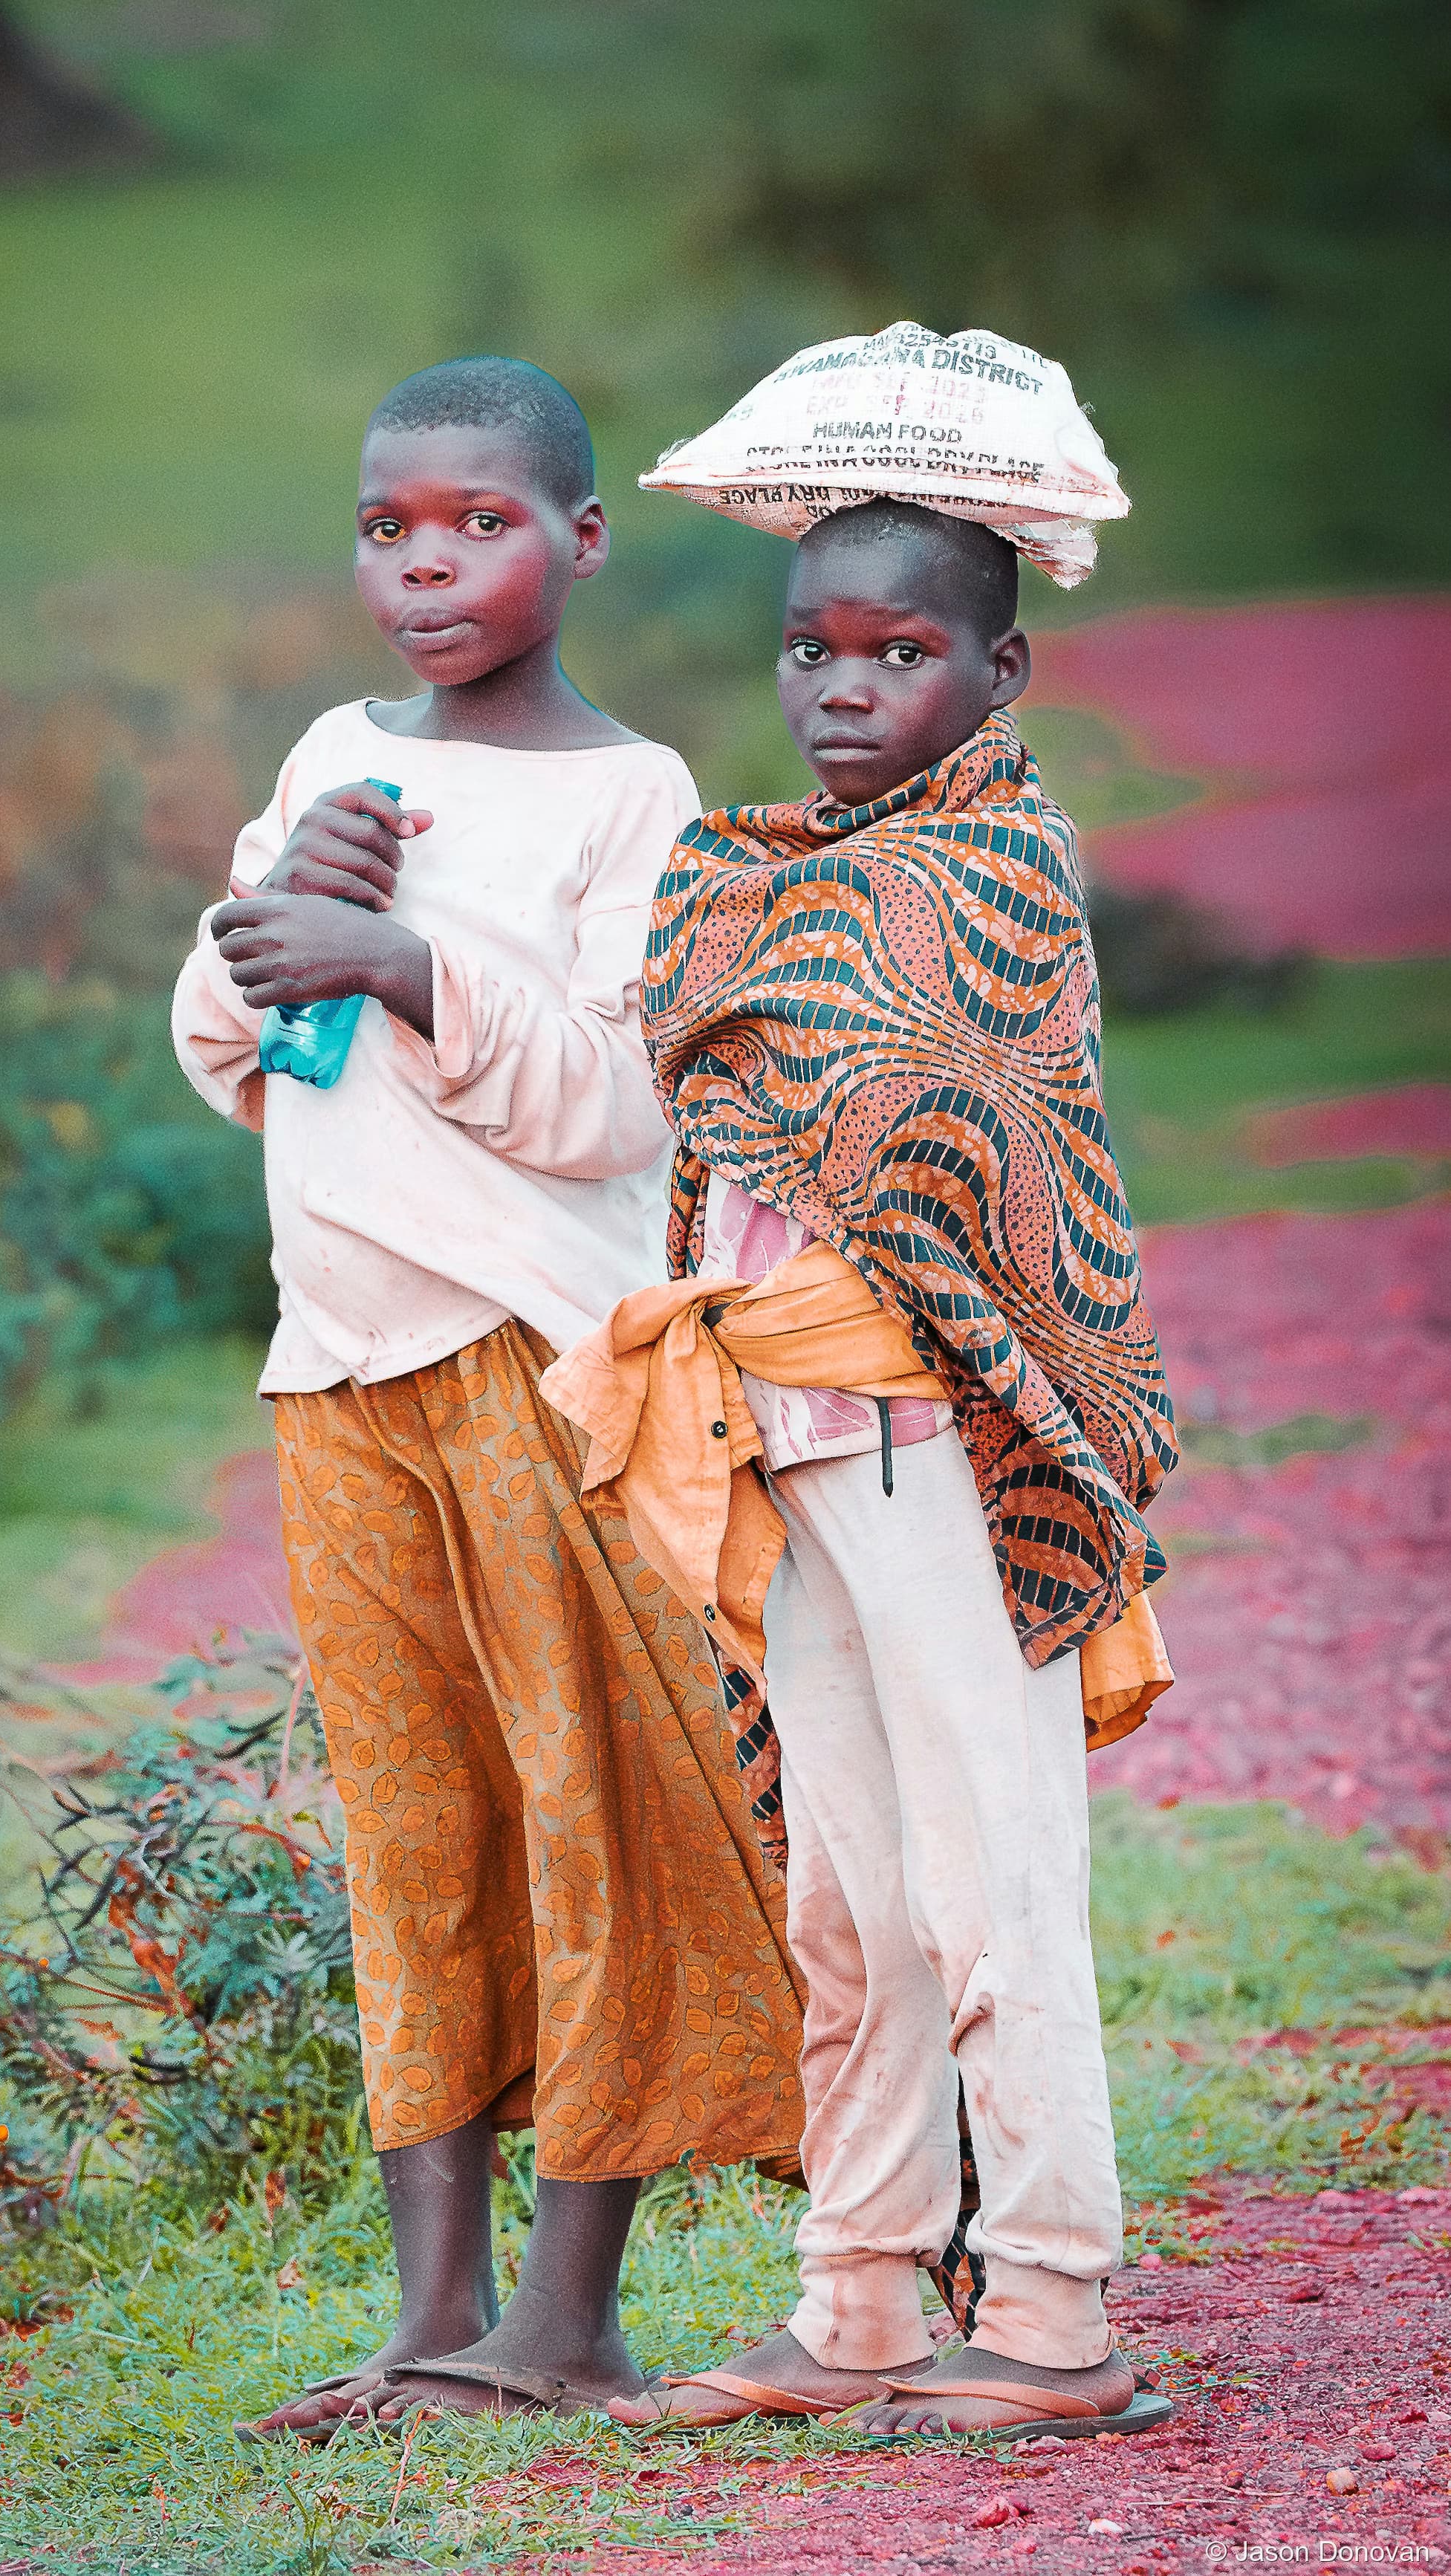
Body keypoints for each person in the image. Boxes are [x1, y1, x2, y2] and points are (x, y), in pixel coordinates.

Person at [170, 357, 805, 2440]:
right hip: (335, 1365)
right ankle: (429, 2320)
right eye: (388, 529)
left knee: (584, 1814)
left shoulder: (639, 796)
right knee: (412, 1834)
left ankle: (566, 2318)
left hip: (541, 1363)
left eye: (478, 524)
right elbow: (222, 1041)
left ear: (580, 541)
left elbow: (622, 1098)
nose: (425, 565)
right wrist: (278, 915)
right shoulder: (332, 753)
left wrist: (402, 960)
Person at [546, 470, 1179, 2439]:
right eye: (810, 649)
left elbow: (958, 1154)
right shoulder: (766, 873)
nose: (843, 687)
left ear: (999, 671)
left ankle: (1054, 2308)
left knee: (989, 1879)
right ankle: (862, 2297)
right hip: (787, 1438)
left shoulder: (995, 870)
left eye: (901, 653)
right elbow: (711, 1107)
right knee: (843, 1890)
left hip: (945, 1440)